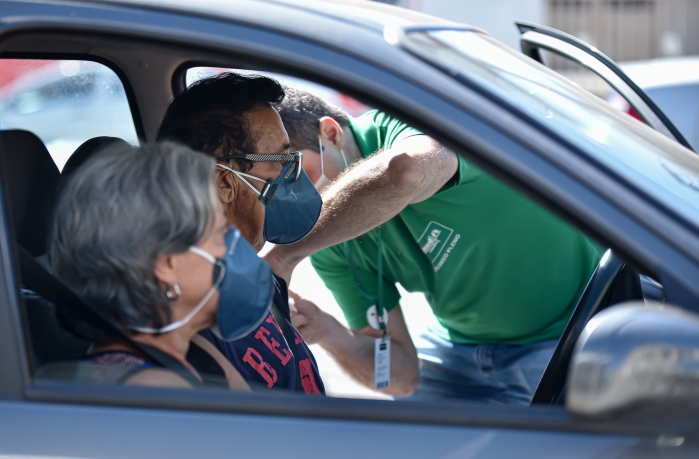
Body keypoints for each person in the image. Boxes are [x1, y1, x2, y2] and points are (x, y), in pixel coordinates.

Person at [263, 88, 603, 404]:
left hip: (564, 335)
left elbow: (406, 172)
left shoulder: (403, 126)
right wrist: (328, 331)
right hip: (457, 347)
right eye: (271, 188)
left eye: (293, 173)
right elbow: (401, 378)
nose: (290, 199)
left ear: (331, 134)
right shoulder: (327, 242)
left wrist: (284, 253)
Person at [48, 140, 273, 389]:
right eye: (220, 232)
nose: (233, 243)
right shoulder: (153, 388)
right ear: (167, 264)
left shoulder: (194, 352)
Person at [157, 73, 325, 395]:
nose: (291, 175)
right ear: (224, 182)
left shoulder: (255, 278)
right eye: (280, 161)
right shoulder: (188, 318)